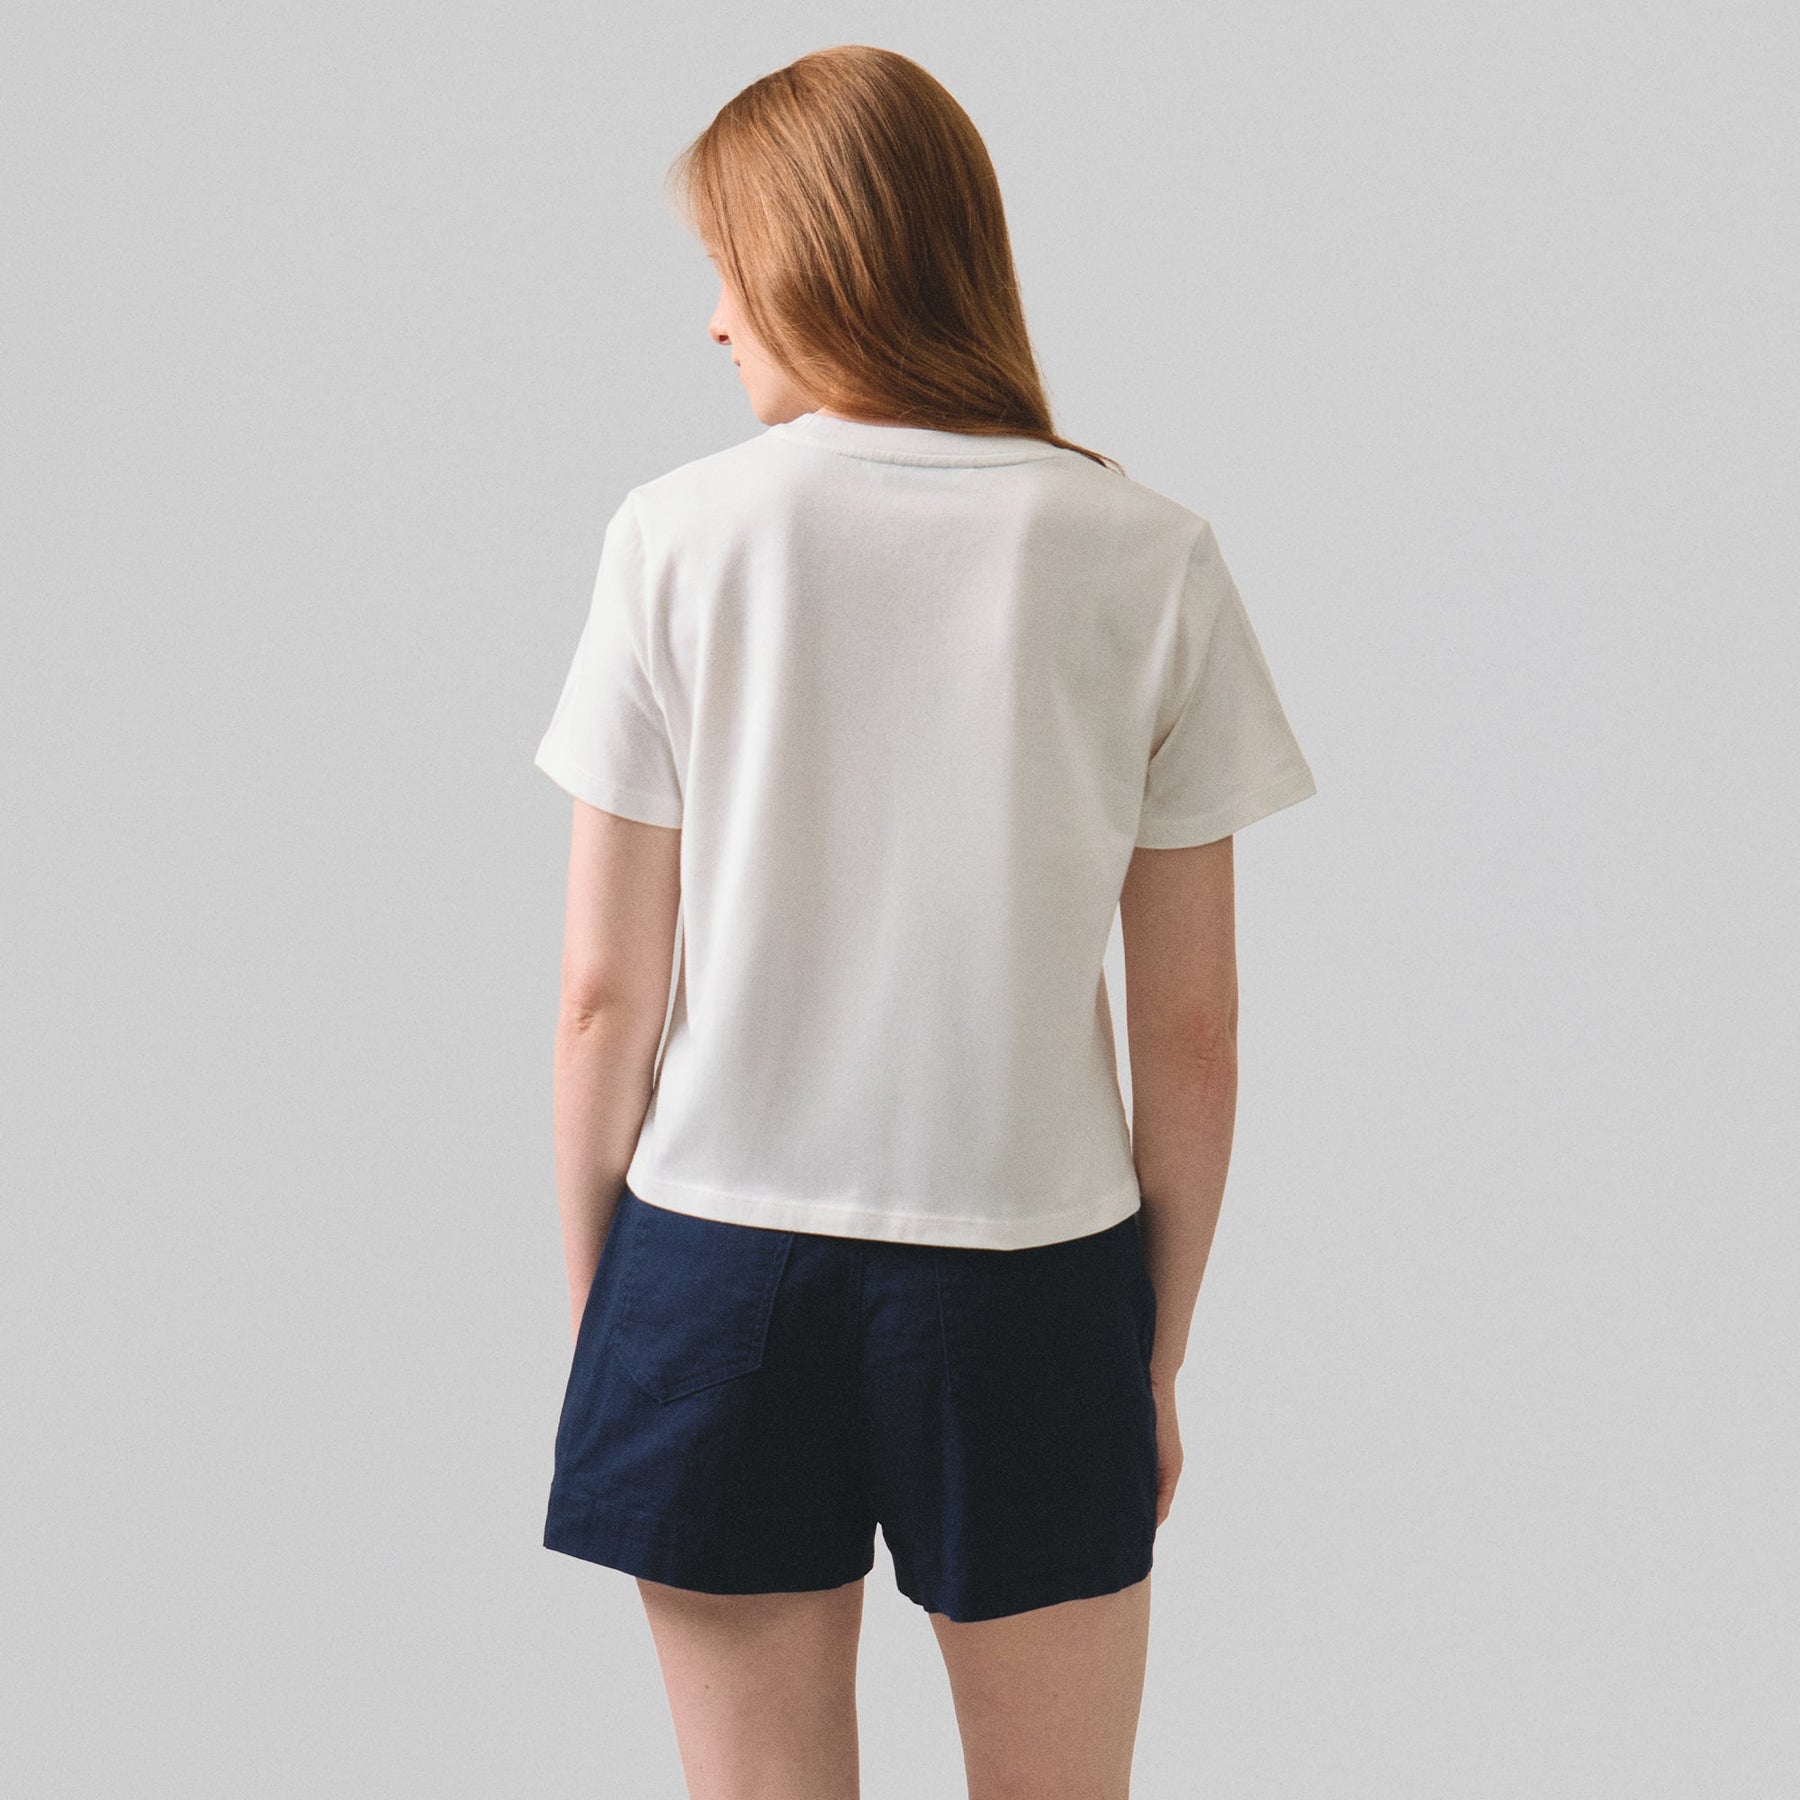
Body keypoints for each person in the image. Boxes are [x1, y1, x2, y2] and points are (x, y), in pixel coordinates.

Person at [531, 44, 1317, 1800]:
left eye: (727, 270)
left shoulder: (673, 539)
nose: (713, 322)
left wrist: (611, 1319)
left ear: (815, 259)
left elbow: (602, 997)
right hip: (1036, 1270)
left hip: (711, 1260)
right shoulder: (1148, 556)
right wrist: (1154, 1356)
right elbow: (1193, 1037)